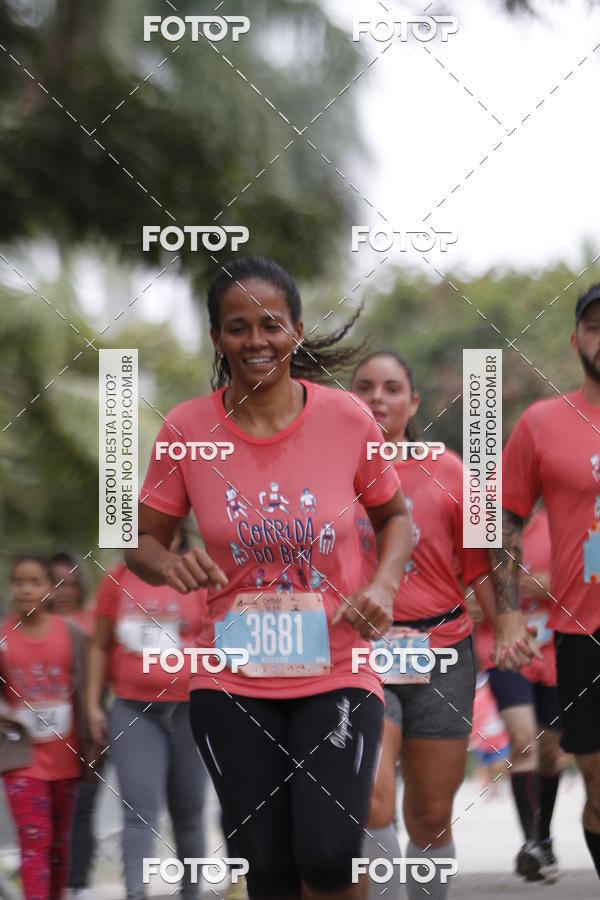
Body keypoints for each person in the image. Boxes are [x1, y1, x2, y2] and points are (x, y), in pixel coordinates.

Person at [125, 255, 414, 900]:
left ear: (296, 332)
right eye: (238, 327)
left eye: (271, 324)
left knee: (328, 855)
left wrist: (383, 585)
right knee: (271, 868)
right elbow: (139, 542)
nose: (256, 340)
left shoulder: (346, 418)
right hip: (230, 675)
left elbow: (396, 517)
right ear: (217, 338)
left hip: (336, 666)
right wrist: (169, 564)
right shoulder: (187, 430)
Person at [350, 351, 495, 900]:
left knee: (431, 814)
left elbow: (481, 562)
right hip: (361, 653)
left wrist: (506, 626)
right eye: (365, 387)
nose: (377, 398)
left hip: (444, 653)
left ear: (412, 403)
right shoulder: (333, 472)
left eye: (392, 388)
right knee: (372, 800)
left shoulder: (450, 470)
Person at [490, 283, 600, 881]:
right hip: (582, 634)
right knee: (598, 785)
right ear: (576, 340)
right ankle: (544, 838)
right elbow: (502, 519)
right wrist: (507, 613)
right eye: (595, 327)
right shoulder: (541, 423)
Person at [86, 527, 208, 900]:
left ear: (178, 534)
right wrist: (92, 705)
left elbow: (221, 637)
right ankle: (135, 894)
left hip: (191, 710)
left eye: (159, 529)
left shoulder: (198, 576)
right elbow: (99, 645)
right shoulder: (117, 578)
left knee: (189, 813)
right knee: (138, 812)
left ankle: (192, 893)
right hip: (134, 710)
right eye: (140, 532)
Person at [475, 506, 562, 881]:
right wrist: (470, 600)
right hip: (504, 648)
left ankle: (544, 836)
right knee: (524, 740)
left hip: (552, 651)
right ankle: (530, 843)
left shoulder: (557, 525)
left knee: (550, 752)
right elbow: (463, 574)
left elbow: (587, 579)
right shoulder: (482, 526)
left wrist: (552, 588)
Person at [0, 554, 89, 900]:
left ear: (50, 589)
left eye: (35, 582)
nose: (26, 589)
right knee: (34, 839)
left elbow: (88, 686)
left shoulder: (71, 635)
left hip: (66, 757)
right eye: (19, 582)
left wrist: (93, 734)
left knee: (59, 844)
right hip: (22, 760)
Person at [49, 552, 99, 900]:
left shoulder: (94, 624)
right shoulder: (29, 623)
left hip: (86, 733)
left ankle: (77, 886)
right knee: (47, 815)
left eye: (71, 584)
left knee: (81, 811)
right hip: (42, 739)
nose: (64, 591)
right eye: (56, 583)